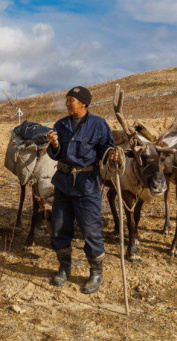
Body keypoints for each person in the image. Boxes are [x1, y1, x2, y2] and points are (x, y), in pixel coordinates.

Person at [46, 86, 119, 294]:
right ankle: (64, 268)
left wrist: (112, 153)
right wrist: (54, 144)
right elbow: (56, 154)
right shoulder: (61, 124)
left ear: (83, 103)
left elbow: (106, 147)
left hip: (87, 184)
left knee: (90, 229)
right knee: (59, 227)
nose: (67, 103)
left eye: (71, 100)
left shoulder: (98, 124)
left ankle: (96, 272)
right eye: (67, 99)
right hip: (63, 183)